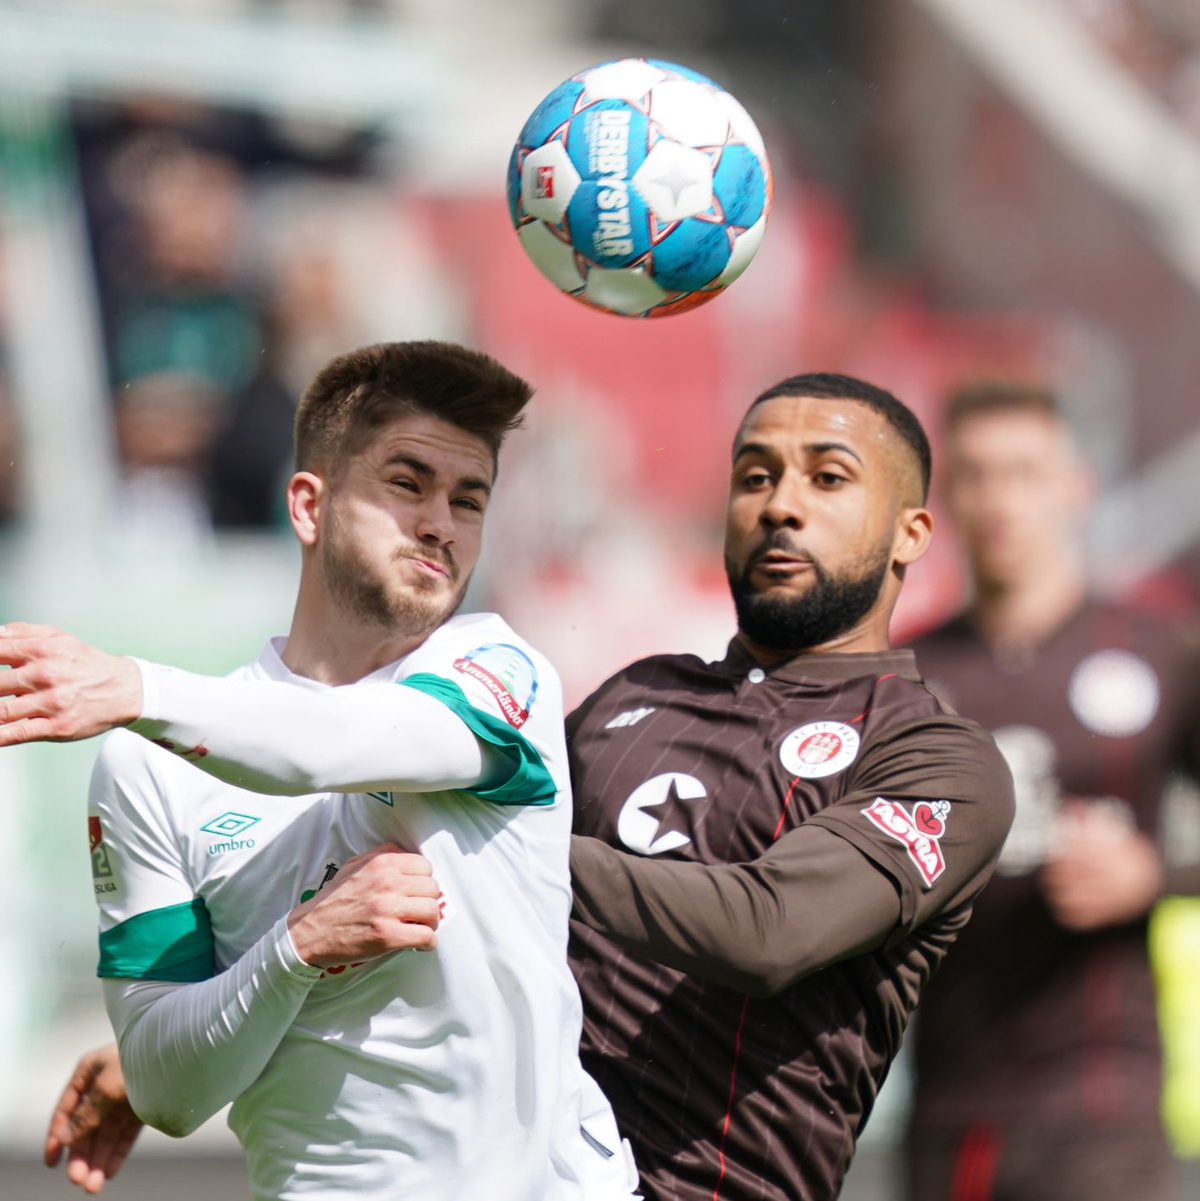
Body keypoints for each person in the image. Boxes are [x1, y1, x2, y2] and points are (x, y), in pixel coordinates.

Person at [30, 372, 1015, 1200]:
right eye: (753, 474)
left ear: (912, 531)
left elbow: (770, 931)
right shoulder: (639, 698)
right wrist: (183, 1037)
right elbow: (472, 909)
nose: (780, 502)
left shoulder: (937, 760)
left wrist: (522, 849)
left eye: (828, 477)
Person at [14, 339, 639, 1200]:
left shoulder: (498, 674)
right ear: (309, 505)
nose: (441, 524)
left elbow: (330, 743)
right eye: (407, 482)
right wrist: (296, 950)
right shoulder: (149, 766)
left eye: (469, 499)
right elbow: (166, 1088)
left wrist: (133, 684)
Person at [901, 381, 1200, 1201]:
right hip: (951, 1101)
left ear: (1076, 482)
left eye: (1026, 472)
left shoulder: (1157, 652)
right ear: (945, 498)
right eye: (978, 474)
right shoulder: (906, 676)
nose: (1002, 499)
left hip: (1105, 1101)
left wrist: (1153, 876)